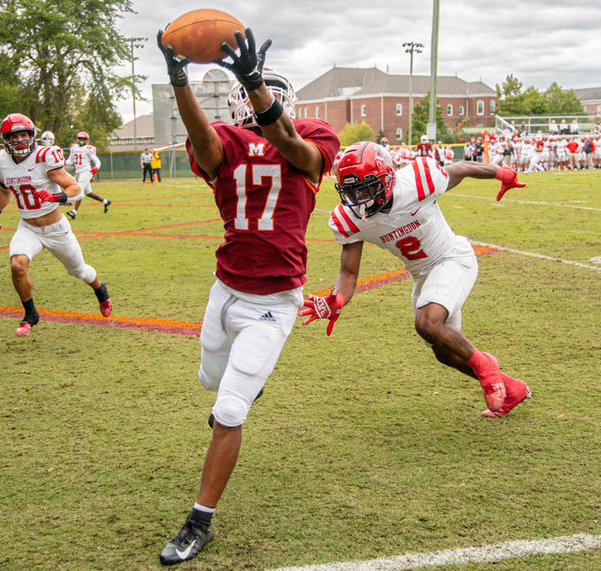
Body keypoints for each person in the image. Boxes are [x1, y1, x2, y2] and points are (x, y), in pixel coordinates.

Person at [156, 27, 339, 566]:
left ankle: (199, 521)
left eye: (272, 90)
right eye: (257, 87)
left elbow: (293, 148)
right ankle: (242, 389)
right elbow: (205, 144)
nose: (265, 96)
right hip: (225, 290)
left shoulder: (313, 134)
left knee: (229, 409)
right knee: (210, 383)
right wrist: (178, 79)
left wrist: (256, 84)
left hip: (274, 302)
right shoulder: (224, 140)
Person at [301, 141, 530, 421]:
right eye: (352, 191)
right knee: (444, 351)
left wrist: (503, 174)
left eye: (367, 188)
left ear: (387, 177)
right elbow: (348, 274)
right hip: (422, 276)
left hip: (451, 258)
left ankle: (487, 368)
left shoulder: (418, 181)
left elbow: (462, 167)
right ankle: (512, 388)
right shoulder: (350, 218)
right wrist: (336, 298)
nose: (360, 199)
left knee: (427, 323)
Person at [0, 113, 113, 336]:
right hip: (28, 227)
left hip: (56, 229)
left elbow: (75, 189)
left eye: (23, 135)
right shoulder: (0, 160)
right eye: (14, 137)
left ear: (31, 135)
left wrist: (57, 197)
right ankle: (31, 314)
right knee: (17, 265)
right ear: (5, 140)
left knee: (79, 271)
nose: (20, 140)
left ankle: (100, 289)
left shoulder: (44, 156)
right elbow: (4, 191)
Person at [65, 131, 111, 219]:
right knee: (88, 193)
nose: (82, 141)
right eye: (80, 139)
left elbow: (97, 161)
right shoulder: (74, 147)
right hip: (78, 172)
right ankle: (105, 202)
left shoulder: (88, 149)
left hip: (86, 172)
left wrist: (96, 167)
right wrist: (62, 162)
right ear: (77, 139)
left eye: (84, 139)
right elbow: (70, 161)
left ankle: (74, 212)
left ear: (87, 140)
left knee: (79, 190)